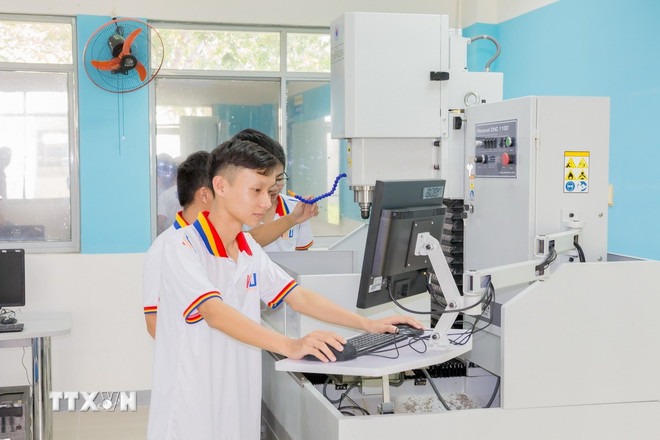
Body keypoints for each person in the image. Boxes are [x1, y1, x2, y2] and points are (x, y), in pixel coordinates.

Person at [146, 139, 421, 439]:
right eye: (256, 190)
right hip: (191, 406)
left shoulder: (248, 248)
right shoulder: (181, 245)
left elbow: (297, 296)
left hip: (237, 401)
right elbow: (214, 312)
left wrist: (368, 324)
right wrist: (291, 346)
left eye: (269, 192)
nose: (266, 203)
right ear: (220, 186)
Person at [143, 149, 319, 338]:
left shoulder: (235, 243)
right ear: (206, 194)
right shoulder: (168, 247)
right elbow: (155, 324)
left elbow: (296, 296)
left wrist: (293, 218)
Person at [233, 128, 316, 251]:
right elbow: (238, 244)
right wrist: (292, 219)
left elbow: (302, 257)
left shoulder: (296, 208)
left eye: (279, 178)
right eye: (263, 181)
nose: (273, 187)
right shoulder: (230, 210)